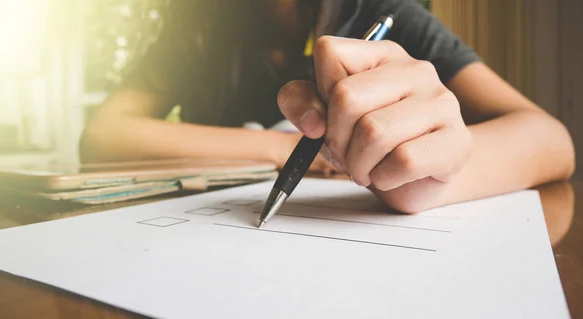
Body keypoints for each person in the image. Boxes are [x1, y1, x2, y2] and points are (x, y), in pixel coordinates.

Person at [79, 0, 575, 213]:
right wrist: (288, 147)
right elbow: (104, 135)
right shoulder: (197, 29)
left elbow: (551, 139)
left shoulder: (388, 15)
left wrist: (426, 178)